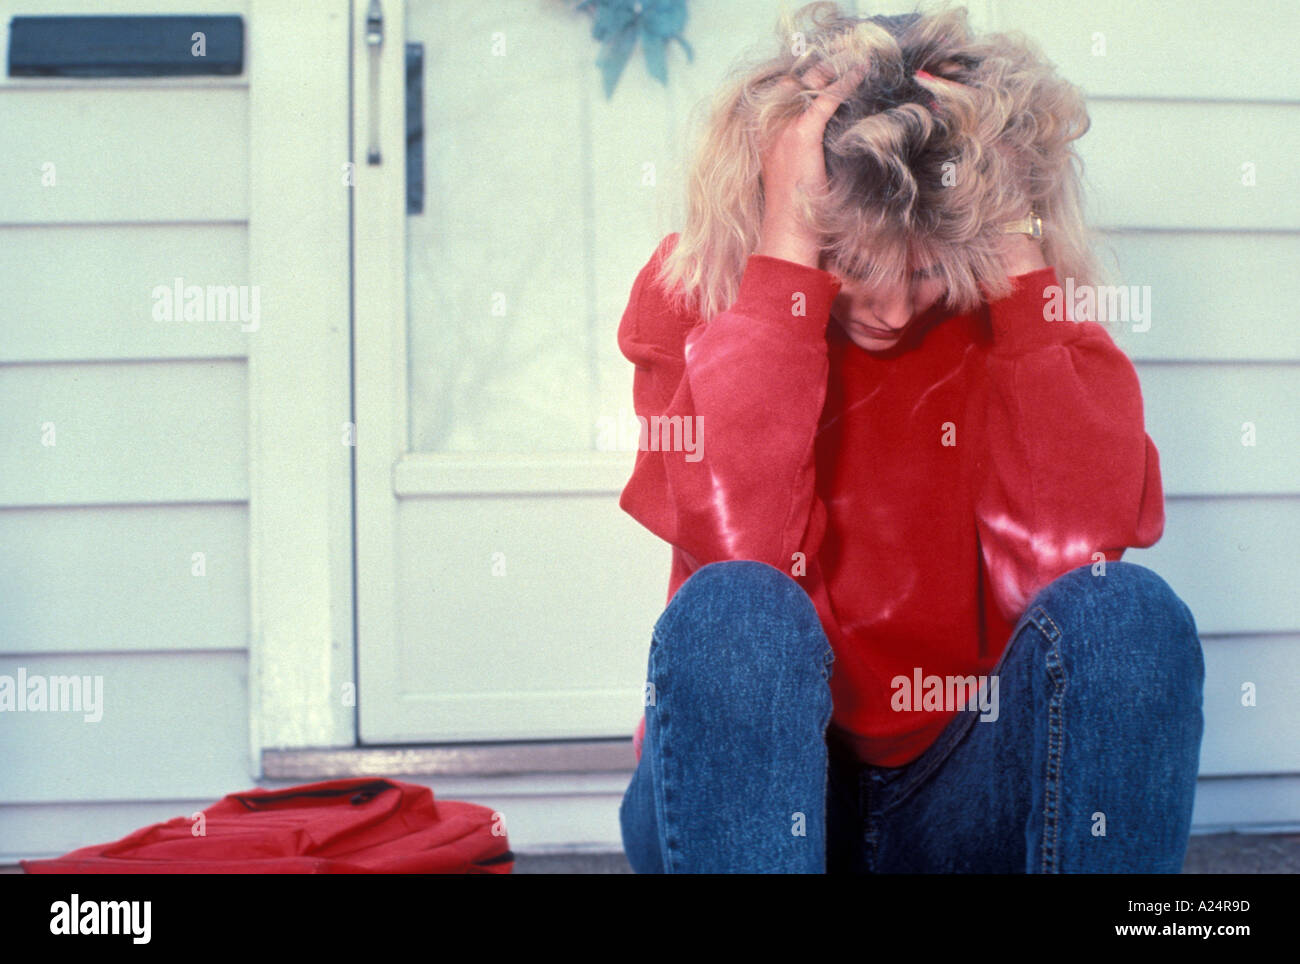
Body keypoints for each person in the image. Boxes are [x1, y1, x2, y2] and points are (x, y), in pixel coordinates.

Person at [615, 3, 1204, 873]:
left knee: (1129, 610)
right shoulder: (696, 293)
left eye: (926, 270)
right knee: (735, 609)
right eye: (847, 263)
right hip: (745, 798)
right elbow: (744, 551)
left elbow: (1069, 561)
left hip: (962, 789)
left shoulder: (1013, 314)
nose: (892, 310)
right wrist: (787, 264)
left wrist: (1013, 243)